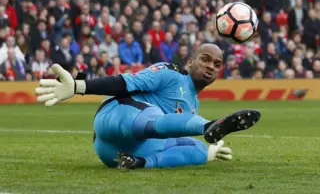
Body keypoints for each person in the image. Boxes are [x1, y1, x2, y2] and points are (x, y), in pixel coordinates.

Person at [34, 44, 261, 169]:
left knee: (200, 150)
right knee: (153, 116)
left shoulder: (194, 104)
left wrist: (208, 152)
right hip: (115, 119)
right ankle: (208, 127)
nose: (211, 66)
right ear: (190, 62)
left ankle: (141, 164)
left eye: (217, 64)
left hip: (118, 154)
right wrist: (77, 86)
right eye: (205, 59)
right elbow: (124, 82)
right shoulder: (170, 72)